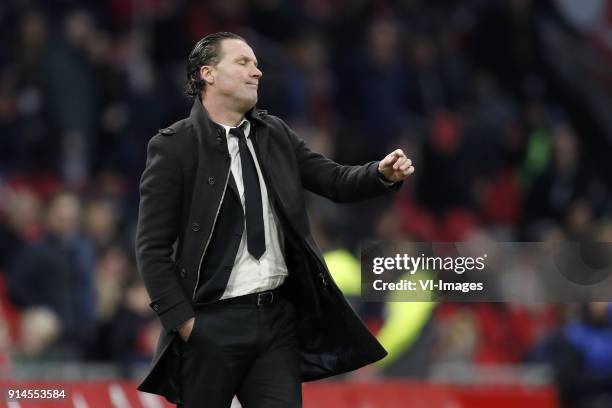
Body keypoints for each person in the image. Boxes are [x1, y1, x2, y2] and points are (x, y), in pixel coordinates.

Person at [135, 31, 414, 407]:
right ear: (208, 74)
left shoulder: (274, 134)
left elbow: (332, 180)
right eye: (243, 62)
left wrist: (380, 174)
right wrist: (186, 325)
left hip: (276, 322)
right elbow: (151, 248)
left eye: (256, 63)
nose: (257, 72)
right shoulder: (174, 146)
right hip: (211, 323)